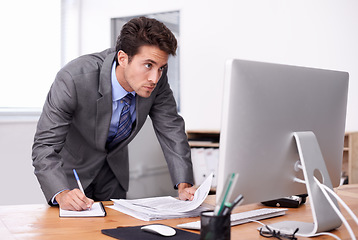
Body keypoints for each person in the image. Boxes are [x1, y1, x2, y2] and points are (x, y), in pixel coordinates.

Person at [32, 17, 196, 211]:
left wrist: (184, 183)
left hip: (113, 175)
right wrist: (61, 192)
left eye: (161, 68)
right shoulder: (73, 79)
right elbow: (45, 146)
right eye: (148, 65)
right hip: (72, 176)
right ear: (123, 58)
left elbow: (171, 128)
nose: (154, 78)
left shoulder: (157, 82)